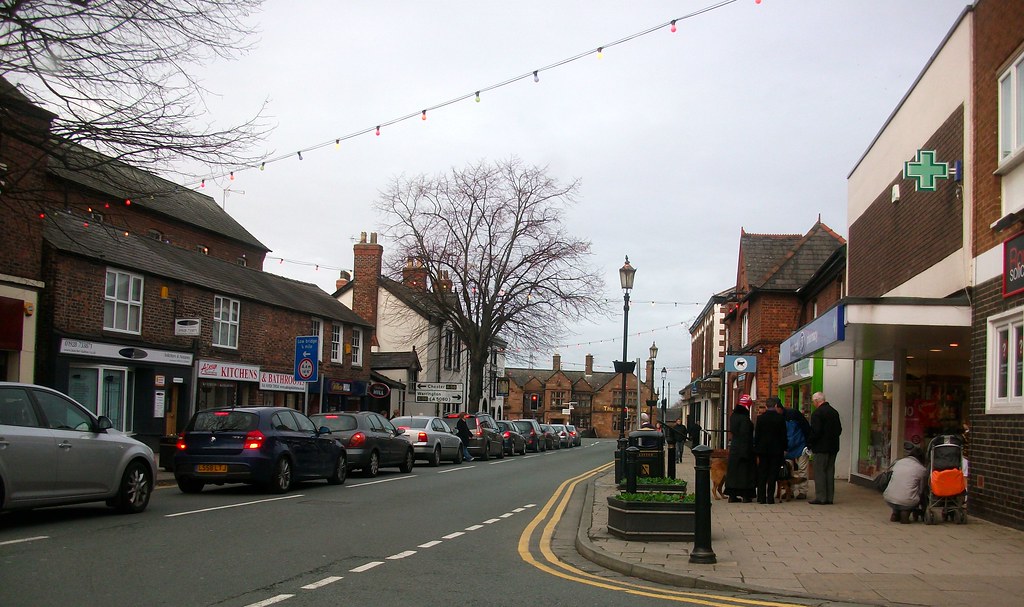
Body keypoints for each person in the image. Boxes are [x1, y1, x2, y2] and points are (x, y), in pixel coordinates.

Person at [808, 391, 842, 505]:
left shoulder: (817, 414)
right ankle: (829, 497)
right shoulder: (834, 412)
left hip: (820, 447)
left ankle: (821, 497)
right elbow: (839, 430)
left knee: (819, 472)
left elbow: (816, 431)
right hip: (833, 447)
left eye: (813, 401)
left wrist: (810, 442)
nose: (813, 404)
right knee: (829, 471)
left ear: (817, 401)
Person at [753, 396, 788, 504]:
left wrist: (756, 449)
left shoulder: (760, 419)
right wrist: (784, 448)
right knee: (773, 474)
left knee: (762, 474)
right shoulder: (780, 419)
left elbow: (757, 436)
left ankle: (761, 498)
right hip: (776, 451)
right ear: (776, 405)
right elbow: (783, 435)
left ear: (766, 406)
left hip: (763, 450)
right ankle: (770, 498)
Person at [883, 442, 928, 523]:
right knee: (911, 498)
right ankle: (905, 512)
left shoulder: (898, 462)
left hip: (889, 498)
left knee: (898, 496)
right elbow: (921, 489)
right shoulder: (921, 469)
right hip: (907, 501)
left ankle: (896, 512)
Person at [724, 394, 756, 503]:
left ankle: (732, 495)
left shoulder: (733, 416)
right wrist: (746, 452)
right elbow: (745, 435)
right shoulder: (744, 419)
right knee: (745, 473)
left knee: (733, 473)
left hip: (734, 448)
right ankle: (746, 495)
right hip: (744, 449)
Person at [783, 399, 812, 500]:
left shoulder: (792, 416)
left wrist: (808, 445)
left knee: (793, 470)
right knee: (797, 470)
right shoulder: (794, 416)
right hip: (794, 446)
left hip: (798, 446)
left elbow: (806, 429)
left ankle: (798, 491)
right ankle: (794, 491)